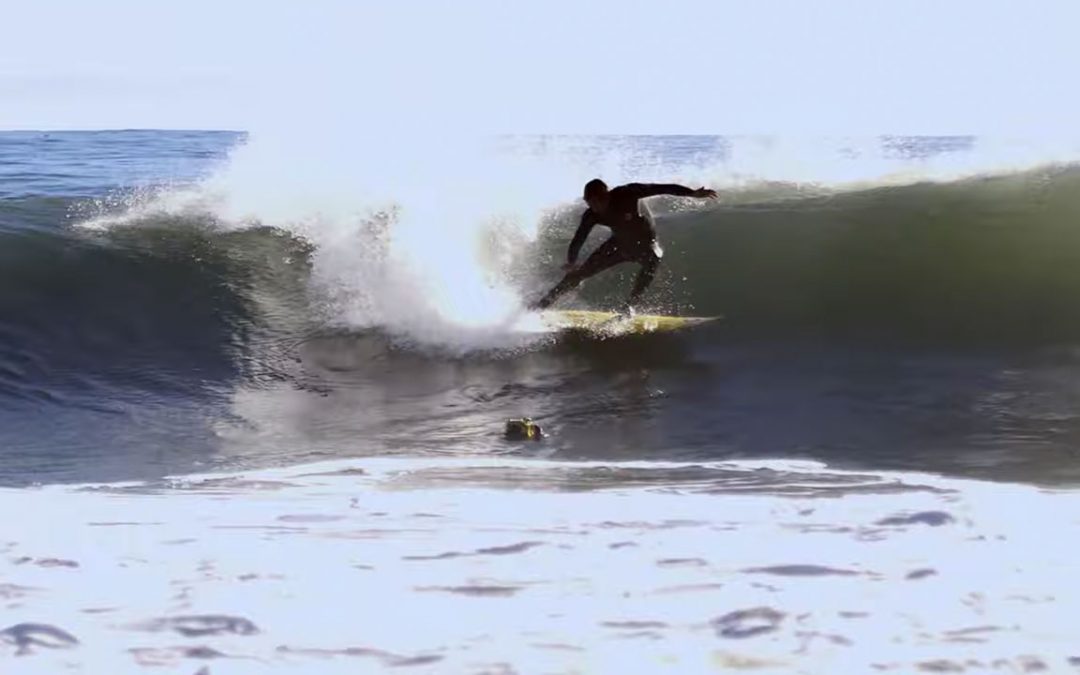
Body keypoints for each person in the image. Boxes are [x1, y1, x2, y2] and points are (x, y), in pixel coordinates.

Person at [531, 178, 717, 312]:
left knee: (653, 259)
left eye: (597, 201)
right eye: (589, 202)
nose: (595, 206)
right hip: (619, 245)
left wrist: (692, 193)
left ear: (607, 195)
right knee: (577, 274)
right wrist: (572, 262)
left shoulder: (627, 193)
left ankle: (629, 308)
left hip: (646, 244)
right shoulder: (591, 214)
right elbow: (578, 239)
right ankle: (541, 305)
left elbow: (663, 187)